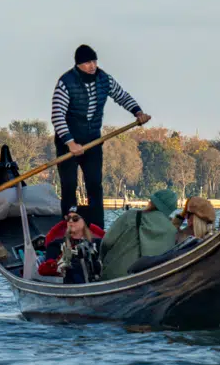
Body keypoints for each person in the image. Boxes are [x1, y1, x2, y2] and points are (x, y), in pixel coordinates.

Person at [51, 44, 151, 229]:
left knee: (95, 184)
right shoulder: (66, 82)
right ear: (79, 64)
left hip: (93, 141)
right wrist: (71, 143)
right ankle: (69, 227)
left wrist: (137, 112)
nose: (93, 65)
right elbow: (57, 116)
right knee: (69, 184)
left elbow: (121, 96)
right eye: (88, 62)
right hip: (68, 142)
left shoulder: (104, 79)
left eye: (94, 61)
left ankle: (97, 229)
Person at [100, 188, 179, 279]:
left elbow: (106, 242)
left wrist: (102, 262)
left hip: (116, 277)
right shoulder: (173, 231)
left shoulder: (130, 216)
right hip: (151, 281)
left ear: (152, 202)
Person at [38, 210, 103, 284]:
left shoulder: (99, 243)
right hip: (70, 287)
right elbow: (45, 270)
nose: (70, 221)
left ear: (84, 221)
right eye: (68, 218)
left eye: (75, 218)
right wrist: (61, 262)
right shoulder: (55, 245)